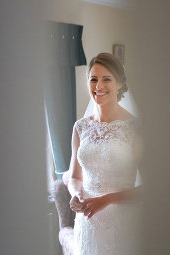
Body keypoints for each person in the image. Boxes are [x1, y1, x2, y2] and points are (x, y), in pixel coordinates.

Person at [67, 53, 141, 255]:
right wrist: (75, 194)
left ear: (119, 84)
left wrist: (107, 199)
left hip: (122, 224)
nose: (98, 86)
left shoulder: (134, 128)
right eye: (93, 79)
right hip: (87, 223)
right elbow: (75, 176)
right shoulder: (80, 127)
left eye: (106, 79)